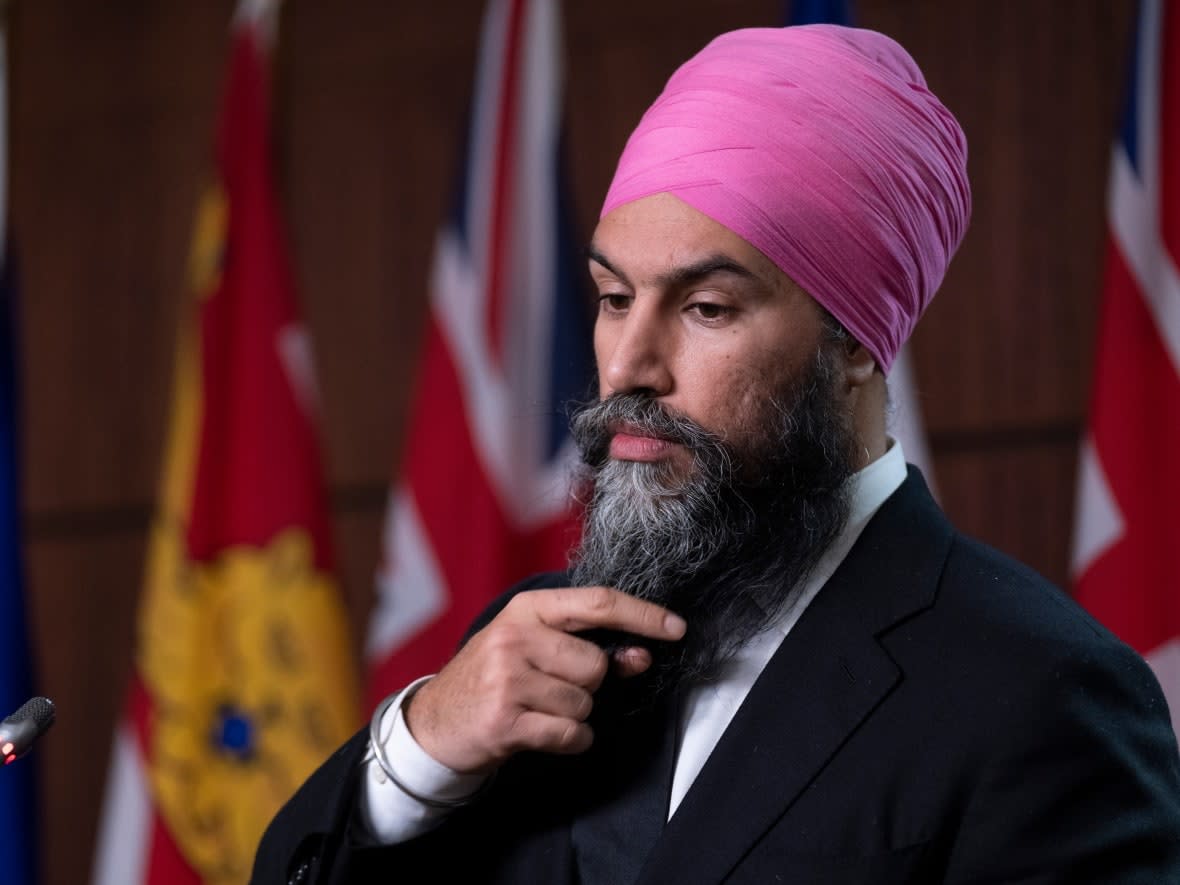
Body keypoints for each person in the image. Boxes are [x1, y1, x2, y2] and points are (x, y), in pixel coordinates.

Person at [252, 24, 1180, 885]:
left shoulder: (1042, 694)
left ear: (855, 340)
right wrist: (421, 748)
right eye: (615, 298)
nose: (627, 368)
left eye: (706, 309)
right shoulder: (529, 642)